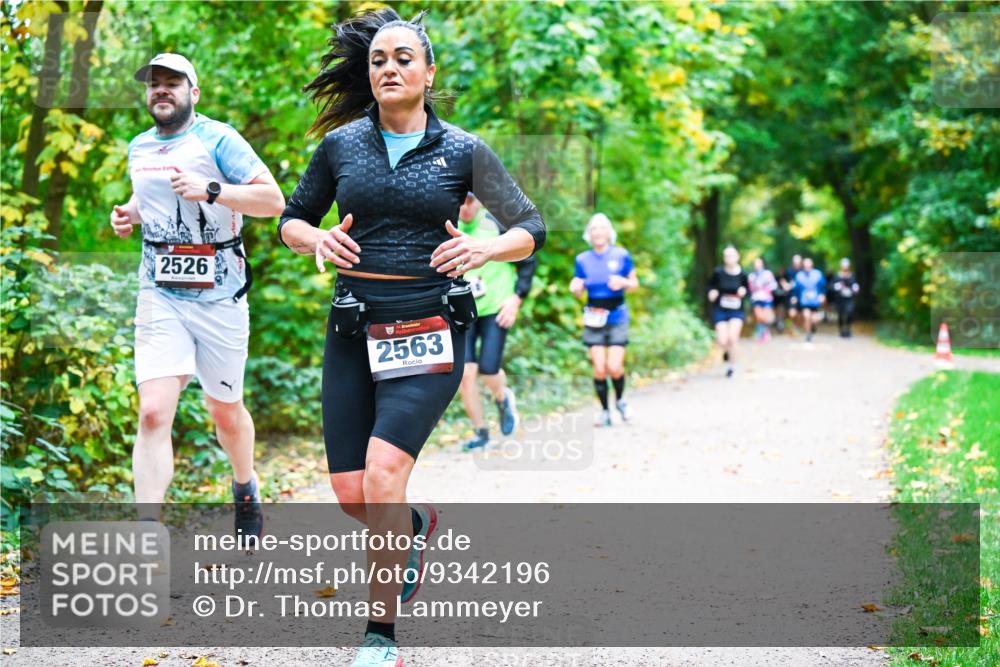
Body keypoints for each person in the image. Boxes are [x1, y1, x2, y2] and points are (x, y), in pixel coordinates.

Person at [277, 10, 545, 666]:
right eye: (378, 60)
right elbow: (291, 218)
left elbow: (529, 226)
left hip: (430, 328)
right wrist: (316, 238)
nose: (388, 68)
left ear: (428, 73)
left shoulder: (462, 150)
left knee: (383, 474)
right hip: (353, 328)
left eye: (403, 58)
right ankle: (415, 523)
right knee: (354, 496)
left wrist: (485, 249)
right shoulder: (341, 146)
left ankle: (380, 637)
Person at [110, 53, 284, 534]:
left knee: (224, 413)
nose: (161, 90)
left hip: (220, 296)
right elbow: (150, 201)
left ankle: (244, 484)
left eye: (173, 82)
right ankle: (148, 532)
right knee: (152, 412)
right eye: (154, 84)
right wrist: (128, 214)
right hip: (159, 292)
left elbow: (273, 201)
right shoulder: (139, 147)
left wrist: (212, 189)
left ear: (194, 92)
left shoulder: (219, 139)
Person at [456, 193, 537, 451]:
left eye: (471, 201)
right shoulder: (447, 224)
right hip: (463, 310)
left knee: (489, 369)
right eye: (461, 202)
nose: (466, 208)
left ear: (479, 201)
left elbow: (527, 259)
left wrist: (516, 298)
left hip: (496, 307)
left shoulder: (496, 222)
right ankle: (481, 432)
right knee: (465, 373)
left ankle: (503, 398)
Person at [570, 214, 639, 427]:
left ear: (610, 232)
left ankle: (620, 401)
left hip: (617, 315)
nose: (598, 232)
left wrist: (623, 282)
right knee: (599, 369)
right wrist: (576, 289)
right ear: (589, 234)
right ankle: (604, 411)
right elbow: (578, 290)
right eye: (594, 229)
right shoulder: (582, 259)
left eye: (602, 228)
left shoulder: (621, 255)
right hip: (594, 317)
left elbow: (635, 284)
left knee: (614, 367)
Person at [707, 245, 749, 377]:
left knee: (732, 337)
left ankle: (732, 366)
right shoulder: (718, 272)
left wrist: (744, 291)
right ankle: (726, 352)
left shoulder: (743, 274)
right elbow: (711, 286)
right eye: (726, 256)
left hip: (736, 310)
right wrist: (712, 292)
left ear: (737, 257)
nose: (729, 258)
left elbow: (748, 290)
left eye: (731, 255)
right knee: (722, 340)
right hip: (721, 309)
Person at [793, 256, 827, 342]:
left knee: (814, 319)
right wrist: (795, 297)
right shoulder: (799, 275)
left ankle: (813, 325)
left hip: (815, 301)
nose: (807, 265)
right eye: (805, 264)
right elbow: (796, 288)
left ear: (812, 264)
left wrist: (822, 295)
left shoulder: (818, 274)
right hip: (804, 301)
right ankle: (808, 334)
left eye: (808, 264)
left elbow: (824, 286)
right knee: (806, 316)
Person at [748, 257, 778, 341]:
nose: (756, 265)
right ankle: (761, 332)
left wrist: (766, 289)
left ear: (762, 264)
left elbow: (774, 285)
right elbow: (750, 288)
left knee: (767, 317)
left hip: (766, 298)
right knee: (759, 316)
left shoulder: (768, 274)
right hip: (756, 298)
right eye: (755, 263)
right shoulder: (751, 276)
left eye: (758, 263)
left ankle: (765, 331)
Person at [831, 257, 860, 337]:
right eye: (843, 265)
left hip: (849, 298)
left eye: (846, 265)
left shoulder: (852, 275)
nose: (845, 267)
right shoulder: (837, 276)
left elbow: (855, 285)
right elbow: (832, 286)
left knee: (850, 312)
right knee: (840, 314)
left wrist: (855, 289)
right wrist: (839, 286)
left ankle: (848, 329)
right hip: (840, 298)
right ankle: (841, 330)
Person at [781, 254, 803, 335]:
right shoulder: (789, 271)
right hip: (791, 296)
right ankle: (791, 327)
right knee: (792, 313)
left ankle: (796, 327)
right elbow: (783, 280)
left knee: (800, 315)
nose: (796, 264)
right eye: (795, 262)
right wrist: (785, 286)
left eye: (798, 262)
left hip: (801, 296)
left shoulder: (803, 272)